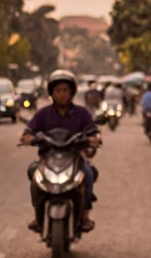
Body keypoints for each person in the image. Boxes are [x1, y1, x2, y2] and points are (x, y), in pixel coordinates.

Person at [20, 70, 100, 231]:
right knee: (34, 173)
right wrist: (28, 137)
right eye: (58, 90)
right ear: (51, 93)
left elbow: (94, 132)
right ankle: (37, 215)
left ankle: (85, 217)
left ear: (71, 92)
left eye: (65, 90)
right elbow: (28, 131)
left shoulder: (82, 113)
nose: (62, 94)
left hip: (75, 158)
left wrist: (94, 139)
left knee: (89, 174)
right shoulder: (43, 114)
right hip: (48, 159)